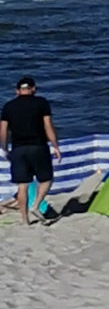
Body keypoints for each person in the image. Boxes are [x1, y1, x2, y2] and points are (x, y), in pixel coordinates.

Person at [3, 76, 59, 224]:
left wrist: (4, 148)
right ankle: (35, 206)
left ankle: (25, 220)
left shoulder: (9, 106)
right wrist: (55, 145)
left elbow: (3, 130)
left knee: (22, 186)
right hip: (38, 146)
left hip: (18, 148)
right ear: (33, 89)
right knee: (46, 179)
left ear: (17, 91)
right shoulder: (41, 103)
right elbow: (48, 126)